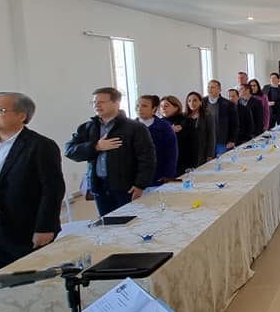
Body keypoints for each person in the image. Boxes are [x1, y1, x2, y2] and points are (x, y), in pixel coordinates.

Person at [0, 92, 66, 271]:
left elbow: (52, 189)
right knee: (1, 278)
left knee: (32, 279)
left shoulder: (40, 145)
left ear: (21, 116)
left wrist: (45, 227)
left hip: (25, 229)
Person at [65, 87, 156, 217]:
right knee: (107, 224)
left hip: (126, 187)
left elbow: (147, 158)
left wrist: (140, 184)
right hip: (99, 186)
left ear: (116, 103)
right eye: (94, 102)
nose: (97, 105)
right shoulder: (88, 127)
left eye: (101, 102)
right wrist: (96, 147)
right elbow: (70, 150)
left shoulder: (135, 127)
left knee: (131, 223)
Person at [136, 95, 178, 186]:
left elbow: (171, 153)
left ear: (154, 109)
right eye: (137, 106)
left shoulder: (164, 127)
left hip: (158, 176)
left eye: (144, 106)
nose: (139, 109)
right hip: (135, 178)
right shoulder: (130, 127)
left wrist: (168, 175)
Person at [159, 95, 196, 176]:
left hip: (183, 162)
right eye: (161, 106)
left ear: (176, 107)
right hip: (165, 163)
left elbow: (193, 144)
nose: (163, 108)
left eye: (166, 106)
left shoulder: (186, 121)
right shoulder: (159, 123)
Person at [204, 80, 237, 156]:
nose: (210, 90)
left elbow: (234, 124)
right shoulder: (202, 102)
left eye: (212, 87)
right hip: (207, 141)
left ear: (219, 90)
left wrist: (232, 140)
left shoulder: (228, 104)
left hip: (222, 141)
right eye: (208, 87)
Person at [183, 91, 216, 166]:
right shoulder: (184, 116)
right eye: (189, 101)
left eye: (195, 100)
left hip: (201, 151)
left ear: (200, 102)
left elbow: (211, 136)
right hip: (187, 151)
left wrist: (210, 154)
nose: (192, 103)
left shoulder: (207, 115)